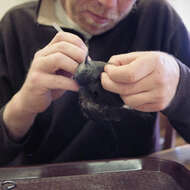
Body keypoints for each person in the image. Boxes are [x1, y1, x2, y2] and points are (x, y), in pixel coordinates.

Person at [0, 0, 190, 166]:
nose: (108, 4)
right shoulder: (15, 26)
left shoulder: (159, 18)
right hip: (42, 178)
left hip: (136, 175)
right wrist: (22, 106)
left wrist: (180, 87)